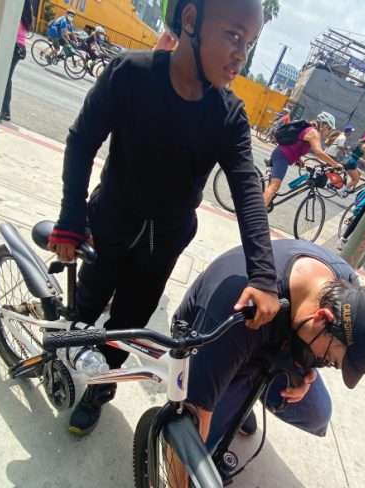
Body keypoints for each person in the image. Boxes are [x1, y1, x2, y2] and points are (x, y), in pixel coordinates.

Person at [47, 0, 280, 435]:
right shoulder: (131, 74)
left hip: (165, 240)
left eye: (249, 44)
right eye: (233, 36)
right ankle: (68, 351)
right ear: (190, 20)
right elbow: (81, 142)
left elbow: (248, 190)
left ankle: (99, 388)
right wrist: (70, 218)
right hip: (111, 219)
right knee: (86, 304)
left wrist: (264, 275)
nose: (240, 55)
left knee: (127, 325)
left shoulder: (228, 115)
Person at [146, 238, 365, 488]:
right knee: (189, 453)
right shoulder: (237, 312)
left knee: (317, 412)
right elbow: (191, 412)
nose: (325, 364)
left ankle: (242, 401)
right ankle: (234, 393)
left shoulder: (344, 288)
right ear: (322, 317)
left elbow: (313, 342)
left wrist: (303, 370)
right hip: (215, 341)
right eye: (330, 361)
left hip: (264, 347)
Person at [263, 111, 343, 207]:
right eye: (329, 128)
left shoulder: (309, 129)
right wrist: (335, 164)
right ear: (324, 125)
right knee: (274, 186)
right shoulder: (314, 132)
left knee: (273, 188)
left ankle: (266, 200)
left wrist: (298, 159)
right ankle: (257, 215)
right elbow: (319, 152)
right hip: (282, 157)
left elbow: (296, 144)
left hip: (282, 155)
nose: (328, 131)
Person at [0, 0, 33, 122]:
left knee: (4, 78)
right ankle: (4, 110)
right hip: (19, 48)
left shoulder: (17, 16)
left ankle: (4, 110)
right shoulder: (25, 15)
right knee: (5, 78)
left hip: (14, 48)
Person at [339, 132, 365, 197]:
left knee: (359, 173)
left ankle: (349, 188)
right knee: (356, 180)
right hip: (352, 162)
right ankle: (341, 191)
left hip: (348, 159)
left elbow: (356, 156)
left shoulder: (360, 143)